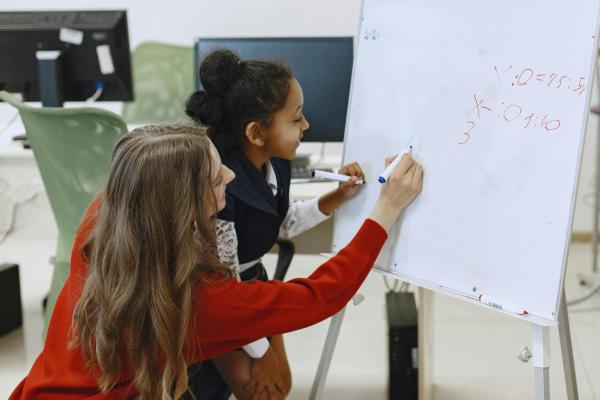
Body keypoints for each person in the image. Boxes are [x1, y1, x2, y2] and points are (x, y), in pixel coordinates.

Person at [9, 123, 423, 400]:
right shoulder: (193, 303)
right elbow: (319, 295)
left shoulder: (105, 219)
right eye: (214, 176)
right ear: (179, 204)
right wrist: (386, 209)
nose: (229, 175)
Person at [185, 49, 366, 397]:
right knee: (253, 390)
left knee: (278, 386)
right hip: (212, 302)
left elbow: (282, 223)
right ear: (257, 133)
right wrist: (262, 350)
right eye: (296, 119)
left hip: (250, 286)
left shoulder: (276, 162)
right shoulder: (220, 189)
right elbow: (224, 289)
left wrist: (338, 196)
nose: (307, 126)